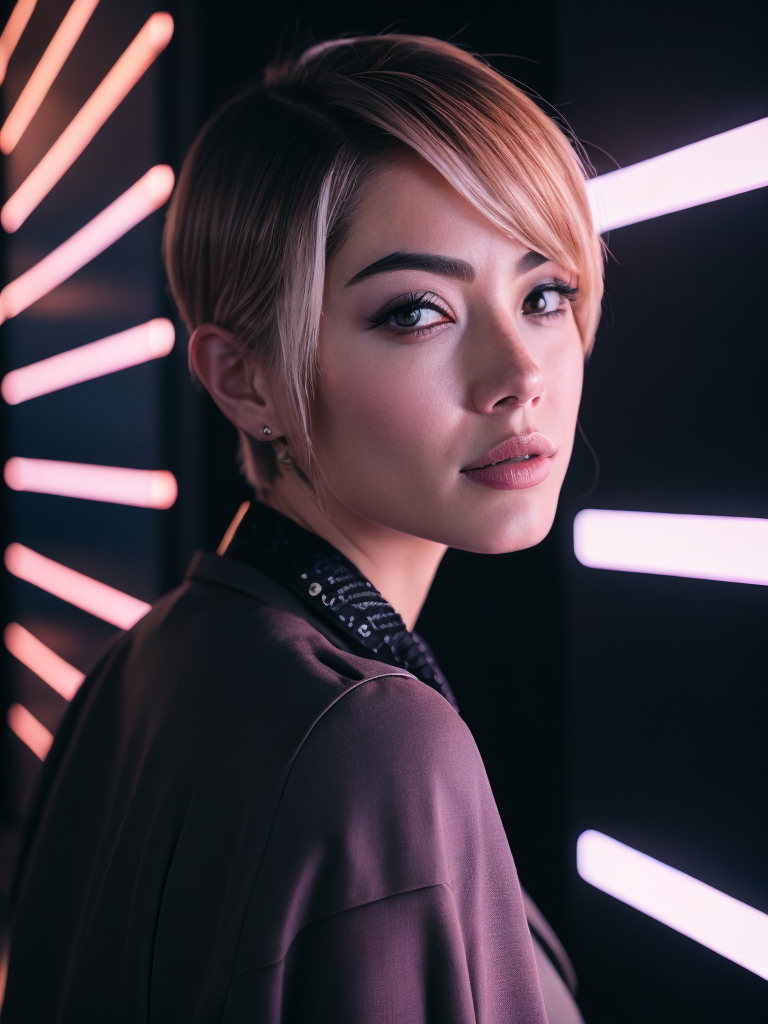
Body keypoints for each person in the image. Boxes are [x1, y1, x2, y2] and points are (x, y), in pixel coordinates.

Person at [0, 34, 603, 1023]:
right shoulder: (377, 741)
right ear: (245, 379)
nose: (521, 375)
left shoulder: (143, 662)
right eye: (416, 312)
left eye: (544, 293)